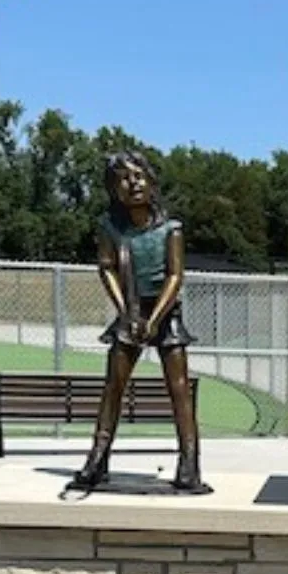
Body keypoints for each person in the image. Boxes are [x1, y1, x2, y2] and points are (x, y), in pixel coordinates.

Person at [71, 151, 208, 493]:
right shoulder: (110, 229)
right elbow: (106, 268)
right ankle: (98, 458)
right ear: (113, 189)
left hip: (165, 312)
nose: (133, 184)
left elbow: (175, 276)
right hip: (129, 310)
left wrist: (155, 318)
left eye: (139, 176)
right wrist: (127, 313)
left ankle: (189, 462)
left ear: (151, 181)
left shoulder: (170, 230)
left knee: (179, 390)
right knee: (113, 386)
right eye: (123, 179)